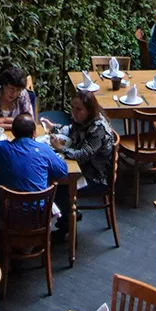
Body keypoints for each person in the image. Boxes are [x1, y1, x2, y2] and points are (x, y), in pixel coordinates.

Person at [42, 90, 116, 240]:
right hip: (82, 168)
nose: (74, 112)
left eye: (78, 109)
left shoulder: (98, 129)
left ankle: (68, 224)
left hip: (95, 177)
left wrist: (61, 148)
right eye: (73, 107)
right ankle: (69, 215)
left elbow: (83, 155)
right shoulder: (82, 119)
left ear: (89, 109)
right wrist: (54, 128)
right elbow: (70, 130)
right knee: (55, 180)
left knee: (59, 187)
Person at [0, 113, 67, 192]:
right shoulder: (44, 149)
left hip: (7, 211)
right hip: (39, 213)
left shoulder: (2, 148)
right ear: (34, 133)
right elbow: (62, 170)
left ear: (12, 132)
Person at [0, 64, 34, 130]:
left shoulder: (23, 94)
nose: (14, 93)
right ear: (4, 85)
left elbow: (30, 122)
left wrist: (4, 120)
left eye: (18, 90)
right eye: (11, 88)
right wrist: (18, 125)